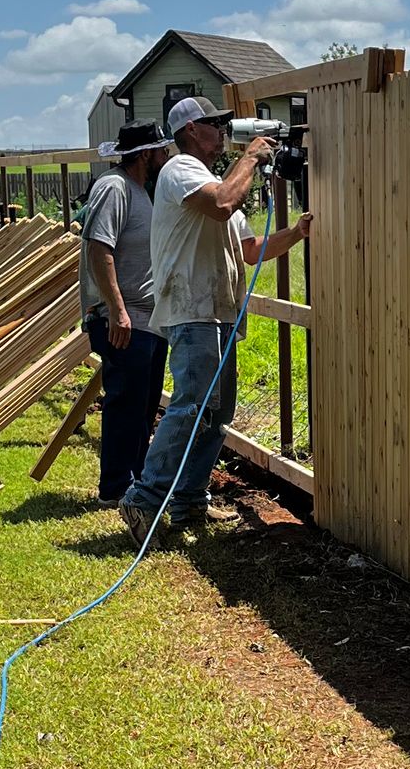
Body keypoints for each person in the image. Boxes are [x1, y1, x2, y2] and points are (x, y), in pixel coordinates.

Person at [119, 96, 310, 544]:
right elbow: (223, 203)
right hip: (192, 309)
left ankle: (188, 501)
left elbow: (249, 250)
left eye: (226, 124)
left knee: (217, 412)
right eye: (214, 124)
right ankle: (143, 498)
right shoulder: (179, 170)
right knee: (192, 405)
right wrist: (250, 157)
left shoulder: (213, 179)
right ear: (189, 131)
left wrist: (297, 234)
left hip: (217, 310)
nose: (223, 131)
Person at [79, 115, 171, 502]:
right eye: (162, 149)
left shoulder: (138, 189)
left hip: (147, 320)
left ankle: (133, 481)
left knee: (143, 404)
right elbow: (100, 248)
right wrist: (117, 310)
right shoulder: (114, 187)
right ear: (146, 154)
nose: (167, 154)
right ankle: (115, 487)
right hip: (122, 319)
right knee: (125, 403)